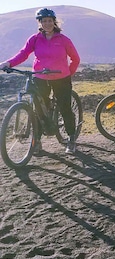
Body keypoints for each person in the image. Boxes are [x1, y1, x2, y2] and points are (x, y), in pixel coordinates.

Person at [0, 8, 80, 154]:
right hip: (40, 77)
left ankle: (71, 138)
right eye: (44, 21)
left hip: (61, 78)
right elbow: (23, 54)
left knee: (65, 108)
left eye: (50, 20)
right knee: (39, 110)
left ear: (54, 22)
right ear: (40, 23)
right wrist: (8, 63)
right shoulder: (35, 39)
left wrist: (68, 73)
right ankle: (37, 141)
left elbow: (76, 59)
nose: (47, 23)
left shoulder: (63, 40)